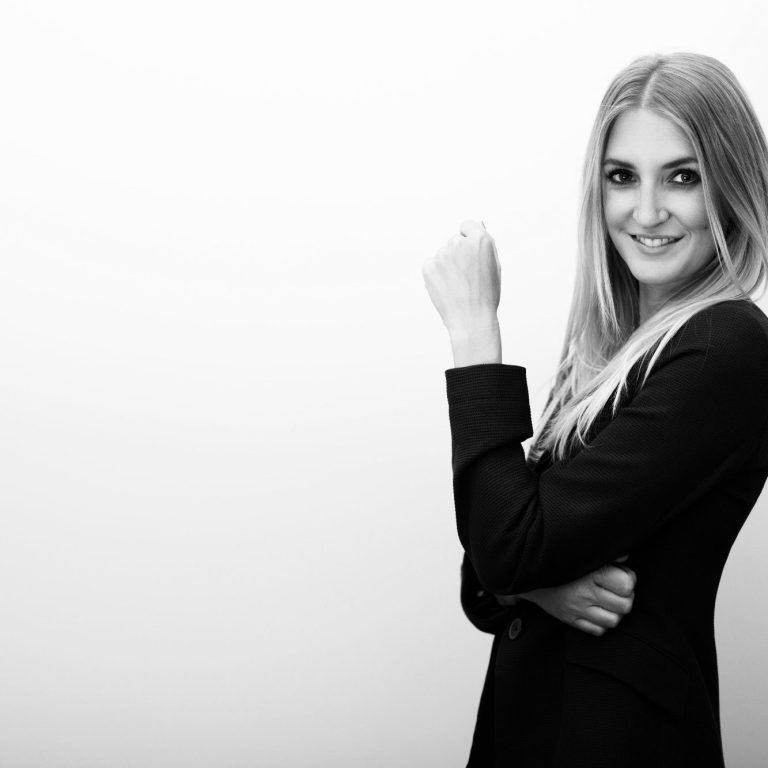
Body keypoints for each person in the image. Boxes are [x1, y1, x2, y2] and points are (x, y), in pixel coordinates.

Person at [421, 51, 768, 767]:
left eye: (683, 176)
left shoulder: (726, 345)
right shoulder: (603, 354)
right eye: (622, 177)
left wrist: (475, 332)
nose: (647, 211)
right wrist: (538, 587)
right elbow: (484, 575)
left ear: (731, 185)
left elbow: (507, 548)